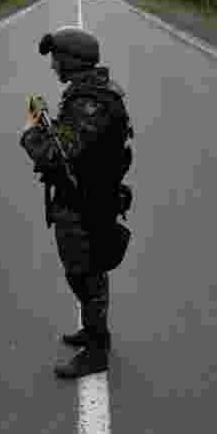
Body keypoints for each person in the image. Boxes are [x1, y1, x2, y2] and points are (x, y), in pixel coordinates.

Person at [20, 26, 134, 379]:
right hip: (85, 198)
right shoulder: (87, 95)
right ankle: (93, 332)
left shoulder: (90, 102)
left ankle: (97, 350)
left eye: (56, 58)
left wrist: (31, 130)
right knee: (84, 273)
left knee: (85, 275)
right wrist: (49, 123)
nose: (53, 66)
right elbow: (74, 144)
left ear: (72, 61)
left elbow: (56, 154)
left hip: (87, 205)